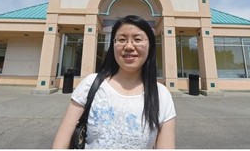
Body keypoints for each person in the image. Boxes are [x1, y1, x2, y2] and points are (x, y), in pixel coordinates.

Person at [52, 15, 176, 149]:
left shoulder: (162, 95)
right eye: (122, 39)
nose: (128, 46)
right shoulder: (90, 84)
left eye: (137, 39)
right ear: (113, 45)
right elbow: (62, 140)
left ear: (150, 46)